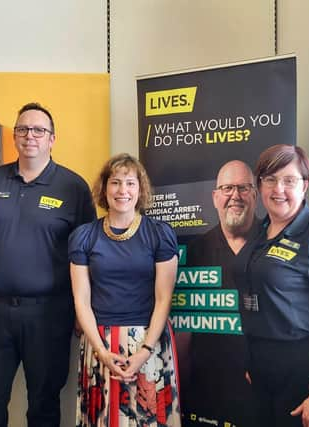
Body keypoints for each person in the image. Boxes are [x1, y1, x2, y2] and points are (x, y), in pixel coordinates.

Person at [0, 102, 96, 427]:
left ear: (52, 139)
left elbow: (86, 258)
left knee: (43, 405)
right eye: (23, 129)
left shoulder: (74, 188)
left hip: (49, 314)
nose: (31, 136)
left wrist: (83, 312)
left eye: (39, 130)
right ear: (14, 136)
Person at [68, 153, 181, 427]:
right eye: (115, 183)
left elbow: (164, 298)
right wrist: (101, 350)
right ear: (104, 189)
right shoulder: (83, 236)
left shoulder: (159, 234)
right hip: (101, 345)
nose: (122, 190)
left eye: (130, 183)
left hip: (148, 342)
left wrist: (144, 350)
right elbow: (81, 301)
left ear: (140, 189)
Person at [236, 144, 309, 427]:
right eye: (270, 179)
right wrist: (253, 362)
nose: (278, 189)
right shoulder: (259, 231)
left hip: (301, 370)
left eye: (289, 180)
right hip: (260, 369)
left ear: (306, 184)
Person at [180, 160, 259, 426]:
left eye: (243, 188)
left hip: (266, 389)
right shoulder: (195, 251)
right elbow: (183, 326)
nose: (234, 196)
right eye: (227, 188)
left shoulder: (272, 243)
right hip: (207, 393)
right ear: (215, 197)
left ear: (255, 195)